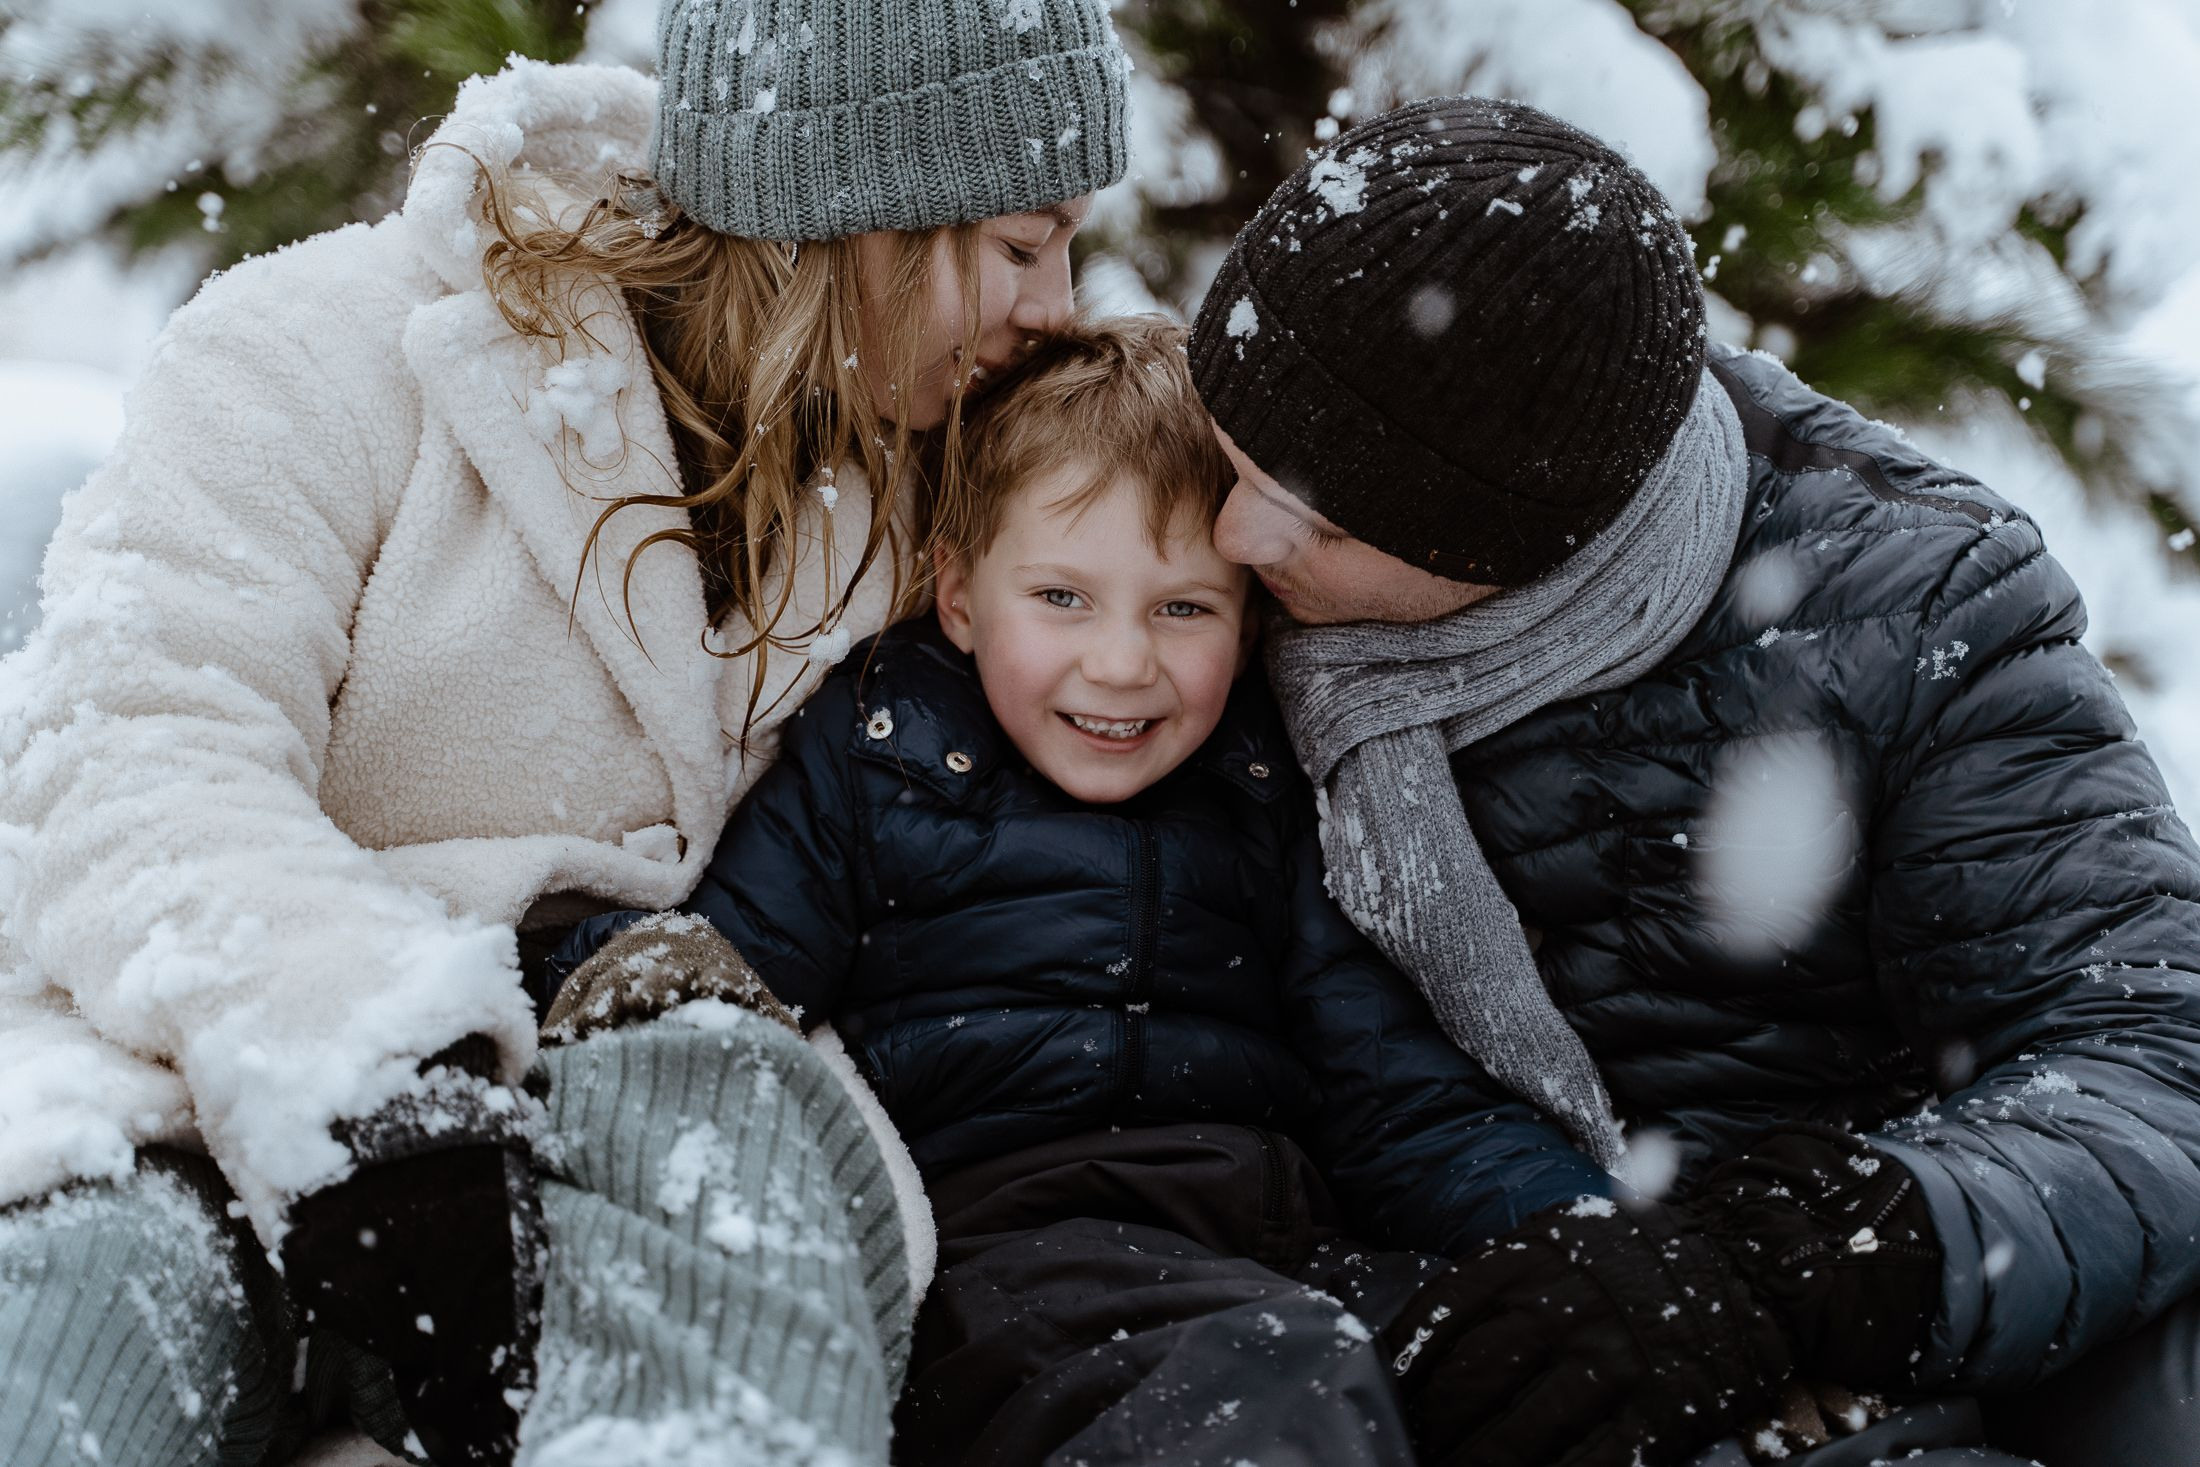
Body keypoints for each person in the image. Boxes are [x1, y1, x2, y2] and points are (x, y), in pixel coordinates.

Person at [0, 1, 1130, 1462]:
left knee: (736, 1279)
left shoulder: (959, 478)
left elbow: (1222, 562)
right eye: (1024, 246)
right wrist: (369, 1080)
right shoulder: (324, 348)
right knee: (74, 1333)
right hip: (214, 1068)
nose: (1056, 305)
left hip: (664, 1105)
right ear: (856, 214)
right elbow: (130, 746)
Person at [1186, 95, 2200, 1467]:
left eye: (1310, 513)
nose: (1226, 534)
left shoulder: (1911, 609)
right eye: (1228, 456)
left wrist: (1818, 1256)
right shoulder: (1172, 576)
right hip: (1464, 1286)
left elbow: (2147, 1050)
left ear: (1507, 540)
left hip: (1851, 1280)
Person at [547, 315, 1608, 1466]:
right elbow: (724, 973)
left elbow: (1397, 1091)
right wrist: (603, 972)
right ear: (960, 594)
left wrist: (1575, 1241)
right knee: (1263, 1383)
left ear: (1247, 621)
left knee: (1557, 1374)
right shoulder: (880, 749)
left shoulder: (1266, 785)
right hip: (1010, 1260)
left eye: (1182, 608)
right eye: (1061, 597)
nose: (1119, 663)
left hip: (1280, 1253)